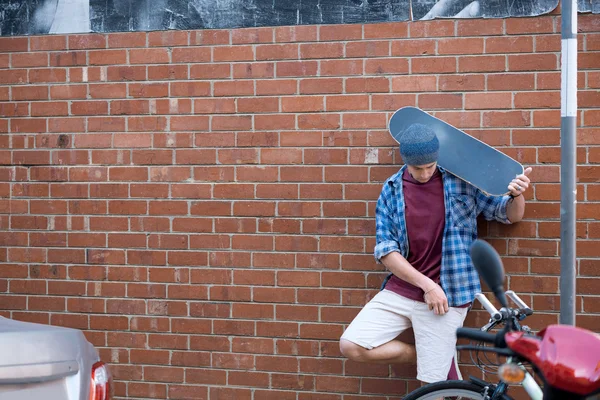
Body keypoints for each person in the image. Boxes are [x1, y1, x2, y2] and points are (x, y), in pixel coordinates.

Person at [339, 123, 532, 384]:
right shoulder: (392, 189)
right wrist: (427, 285)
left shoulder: (461, 181)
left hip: (451, 293)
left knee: (432, 388)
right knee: (352, 345)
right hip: (405, 289)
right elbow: (386, 251)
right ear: (405, 160)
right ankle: (433, 356)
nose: (424, 173)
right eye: (417, 168)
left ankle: (438, 359)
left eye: (430, 166)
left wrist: (516, 195)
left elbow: (509, 215)